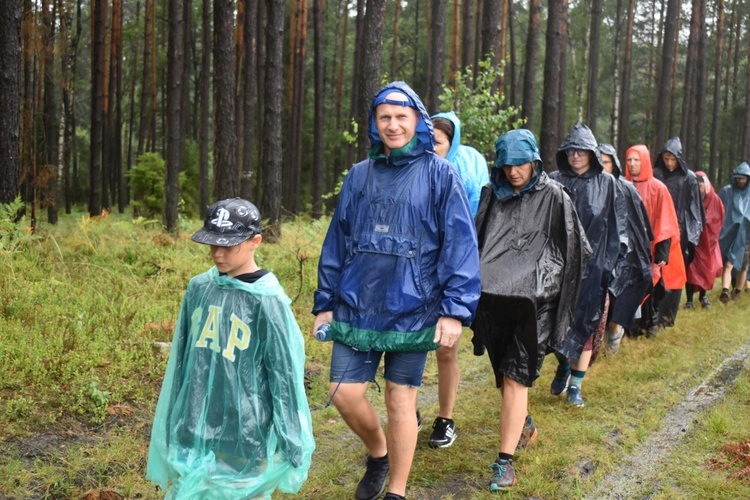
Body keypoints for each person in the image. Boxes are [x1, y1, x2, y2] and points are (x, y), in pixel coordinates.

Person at [312, 82, 481, 500]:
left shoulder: (441, 174)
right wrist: (325, 303)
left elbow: (460, 244)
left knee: (400, 400)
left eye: (401, 117)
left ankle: (398, 492)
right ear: (375, 123)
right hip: (357, 303)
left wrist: (454, 310)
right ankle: (379, 453)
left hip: (415, 306)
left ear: (417, 122)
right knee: (343, 393)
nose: (393, 125)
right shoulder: (359, 175)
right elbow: (337, 241)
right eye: (384, 117)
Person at [146, 198, 315, 499]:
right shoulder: (200, 288)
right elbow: (182, 359)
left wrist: (292, 438)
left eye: (228, 245)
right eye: (212, 245)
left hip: (245, 431)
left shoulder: (267, 301)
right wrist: (174, 416)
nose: (218, 253)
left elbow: (283, 373)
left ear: (255, 241)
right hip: (194, 421)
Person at [472, 129, 590, 491]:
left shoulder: (555, 196)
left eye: (520, 163)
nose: (513, 171)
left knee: (515, 375)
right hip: (494, 302)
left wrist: (546, 284)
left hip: (535, 304)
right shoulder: (492, 195)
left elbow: (576, 250)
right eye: (506, 165)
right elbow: (475, 240)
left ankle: (504, 463)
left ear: (535, 160)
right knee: (503, 373)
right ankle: (522, 423)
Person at [426, 111, 489, 449]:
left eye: (437, 142)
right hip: (414, 272)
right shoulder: (412, 168)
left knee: (445, 349)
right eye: (428, 139)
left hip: (450, 270)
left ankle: (445, 417)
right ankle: (404, 410)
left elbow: (473, 226)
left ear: (452, 144)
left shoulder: (464, 170)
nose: (430, 146)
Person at [548, 123, 622, 407]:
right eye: (570, 151)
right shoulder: (553, 180)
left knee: (587, 326)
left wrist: (610, 263)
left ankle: (576, 385)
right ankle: (564, 364)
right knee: (557, 324)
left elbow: (615, 226)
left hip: (594, 269)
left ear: (592, 153)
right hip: (558, 267)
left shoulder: (607, 183)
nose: (575, 156)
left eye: (581, 151)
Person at [623, 145, 686, 336]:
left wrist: (662, 251)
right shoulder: (622, 185)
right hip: (627, 249)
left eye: (636, 160)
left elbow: (666, 222)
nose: (633, 165)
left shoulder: (658, 188)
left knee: (652, 285)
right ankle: (629, 326)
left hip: (651, 248)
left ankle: (650, 323)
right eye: (629, 160)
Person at [597, 144, 653, 353]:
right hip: (596, 256)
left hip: (623, 257)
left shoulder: (626, 189)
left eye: (606, 163)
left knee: (618, 300)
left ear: (613, 164)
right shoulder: (588, 188)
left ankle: (614, 334)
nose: (602, 167)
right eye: (599, 162)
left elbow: (640, 226)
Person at [652, 138, 705, 323]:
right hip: (657, 230)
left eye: (672, 158)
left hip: (679, 234)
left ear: (679, 159)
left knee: (674, 275)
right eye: (666, 158)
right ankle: (653, 314)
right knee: (656, 271)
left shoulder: (688, 177)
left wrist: (692, 238)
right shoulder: (656, 174)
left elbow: (695, 210)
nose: (669, 162)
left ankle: (667, 317)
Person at [684, 172, 724, 309]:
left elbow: (718, 220)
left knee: (706, 268)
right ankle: (689, 300)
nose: (698, 189)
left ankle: (703, 296)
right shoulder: (688, 199)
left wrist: (705, 226)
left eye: (700, 186)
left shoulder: (715, 200)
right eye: (695, 186)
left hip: (708, 243)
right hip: (693, 242)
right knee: (690, 269)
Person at [718, 162, 750, 303]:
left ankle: (736, 291)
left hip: (746, 238)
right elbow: (717, 208)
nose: (740, 181)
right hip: (730, 235)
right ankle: (725, 291)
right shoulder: (727, 191)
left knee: (743, 266)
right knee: (728, 264)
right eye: (738, 178)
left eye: (743, 178)